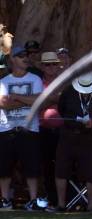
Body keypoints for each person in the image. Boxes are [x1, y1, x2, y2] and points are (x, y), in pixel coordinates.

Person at [0, 45, 45, 210]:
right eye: (20, 56)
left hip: (30, 129)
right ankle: (5, 200)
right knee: (4, 168)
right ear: (12, 59)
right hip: (6, 129)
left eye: (26, 55)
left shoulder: (35, 79)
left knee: (32, 168)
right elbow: (3, 104)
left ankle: (33, 200)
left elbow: (39, 101)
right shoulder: (3, 82)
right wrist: (28, 99)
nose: (25, 58)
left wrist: (17, 97)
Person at [54, 72, 92, 212]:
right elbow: (62, 110)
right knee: (61, 169)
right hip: (68, 135)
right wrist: (76, 121)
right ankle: (61, 204)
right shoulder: (68, 91)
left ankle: (91, 205)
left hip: (91, 137)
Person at [39, 52, 64, 206]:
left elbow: (67, 103)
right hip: (43, 130)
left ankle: (65, 198)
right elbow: (37, 104)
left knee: (62, 165)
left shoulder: (64, 82)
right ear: (42, 66)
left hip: (63, 131)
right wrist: (55, 98)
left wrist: (48, 100)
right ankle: (51, 198)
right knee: (46, 165)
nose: (51, 67)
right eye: (47, 64)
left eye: (54, 64)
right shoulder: (37, 82)